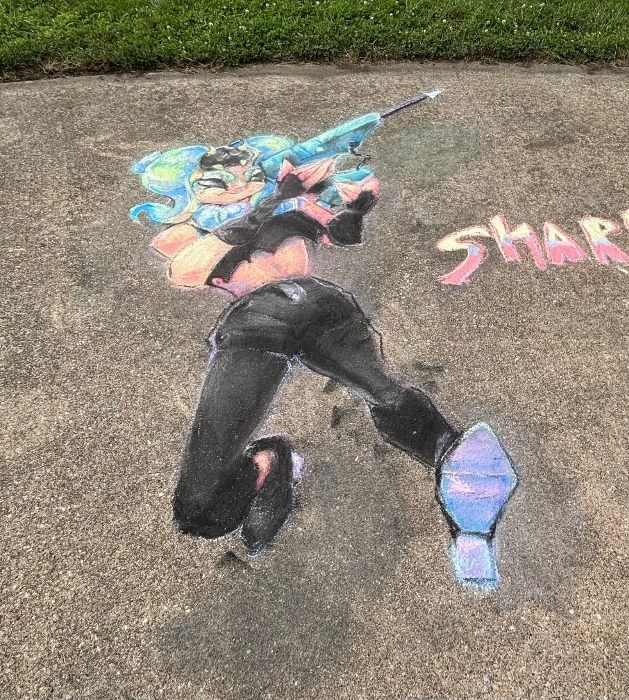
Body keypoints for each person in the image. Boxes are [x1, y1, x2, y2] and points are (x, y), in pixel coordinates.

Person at [131, 136, 459, 556]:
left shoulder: (291, 211)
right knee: (198, 511)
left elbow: (343, 233)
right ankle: (270, 463)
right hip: (259, 317)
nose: (239, 184)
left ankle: (451, 452)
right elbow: (187, 270)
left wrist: (357, 205)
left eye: (249, 174)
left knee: (383, 391)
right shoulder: (183, 233)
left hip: (319, 304)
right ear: (188, 189)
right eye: (219, 180)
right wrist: (275, 200)